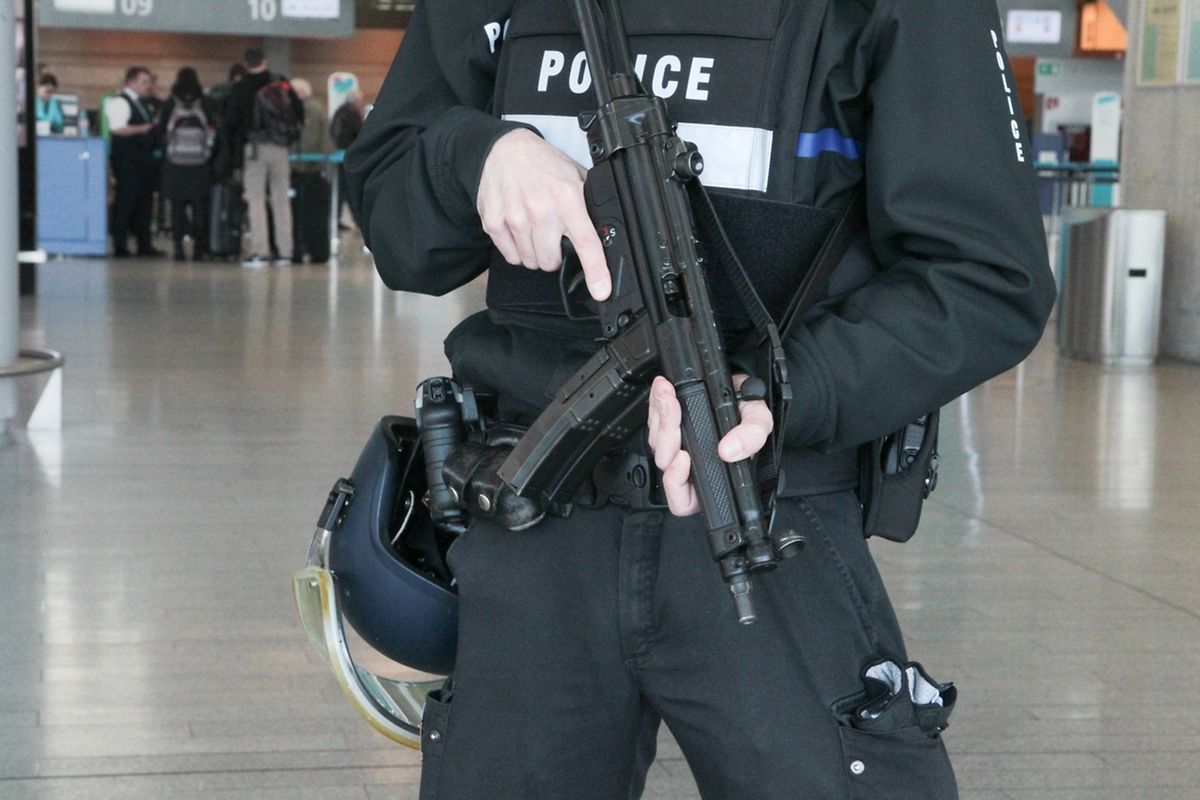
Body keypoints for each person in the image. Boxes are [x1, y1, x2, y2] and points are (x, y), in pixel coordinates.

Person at [344, 1, 1057, 798]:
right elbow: (395, 220)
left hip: (759, 511)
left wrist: (784, 394)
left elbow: (987, 277)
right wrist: (477, 153)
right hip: (531, 519)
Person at [224, 48, 304, 268]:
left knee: (256, 199)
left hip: (255, 149)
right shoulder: (281, 82)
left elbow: (231, 121)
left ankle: (261, 251)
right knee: (281, 199)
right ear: (265, 61)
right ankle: (285, 252)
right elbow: (299, 110)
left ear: (246, 64)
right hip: (280, 148)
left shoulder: (241, 87)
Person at [156, 67, 216, 261]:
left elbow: (160, 131)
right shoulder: (205, 102)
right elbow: (215, 130)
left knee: (177, 208)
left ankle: (179, 248)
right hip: (200, 164)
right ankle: (199, 248)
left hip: (175, 164)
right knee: (200, 207)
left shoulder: (170, 103)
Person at [105, 66, 162, 258]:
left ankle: (144, 243)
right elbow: (117, 128)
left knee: (144, 203)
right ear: (131, 82)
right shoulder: (120, 103)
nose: (148, 86)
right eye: (144, 82)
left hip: (143, 161)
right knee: (126, 202)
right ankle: (120, 244)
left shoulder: (142, 103)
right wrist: (142, 129)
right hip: (128, 161)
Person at [289, 78, 333, 264]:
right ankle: (317, 251)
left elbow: (308, 139)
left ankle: (301, 249)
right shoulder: (318, 108)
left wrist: (297, 163)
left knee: (302, 215)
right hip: (315, 169)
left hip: (306, 170)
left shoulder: (308, 110)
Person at [329, 90, 365, 228]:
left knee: (341, 189)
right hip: (347, 156)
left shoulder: (340, 112)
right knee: (348, 189)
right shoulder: (352, 114)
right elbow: (359, 133)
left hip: (340, 154)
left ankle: (339, 219)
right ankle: (356, 219)